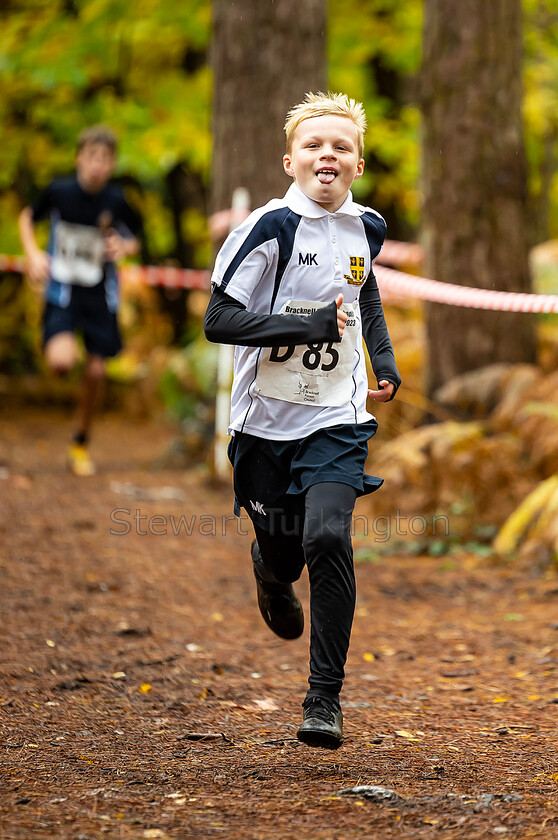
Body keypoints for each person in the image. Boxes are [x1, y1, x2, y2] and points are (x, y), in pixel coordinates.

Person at [204, 92, 400, 749]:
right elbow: (218, 320)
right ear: (290, 161)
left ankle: (324, 700)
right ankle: (267, 567)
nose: (327, 154)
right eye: (314, 145)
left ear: (358, 164)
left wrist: (383, 359)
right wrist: (302, 323)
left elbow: (364, 288)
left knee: (328, 539)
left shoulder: (368, 225)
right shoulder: (266, 228)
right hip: (263, 424)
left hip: (337, 417)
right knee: (287, 553)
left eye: (340, 146)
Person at [18, 125, 142, 476]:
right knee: (60, 362)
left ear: (113, 163)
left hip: (100, 294)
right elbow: (28, 216)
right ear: (79, 159)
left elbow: (135, 239)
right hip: (62, 290)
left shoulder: (117, 201)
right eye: (91, 157)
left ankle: (80, 440)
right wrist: (32, 254)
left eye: (104, 159)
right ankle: (63, 348)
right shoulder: (59, 192)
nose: (97, 166)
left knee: (97, 370)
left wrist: (123, 246)